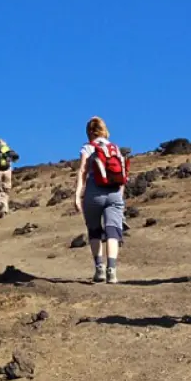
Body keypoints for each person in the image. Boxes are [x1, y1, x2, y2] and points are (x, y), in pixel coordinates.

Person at [75, 117, 126, 283]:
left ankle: (100, 269)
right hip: (114, 192)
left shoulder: (88, 148)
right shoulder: (114, 148)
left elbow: (83, 170)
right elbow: (123, 174)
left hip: (93, 193)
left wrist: (78, 195)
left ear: (89, 132)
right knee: (113, 230)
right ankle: (112, 270)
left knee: (95, 230)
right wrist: (120, 195)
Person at [0, 139, 20, 219]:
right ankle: (5, 209)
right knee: (6, 191)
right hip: (7, 172)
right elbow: (15, 159)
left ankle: (0, 204)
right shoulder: (7, 150)